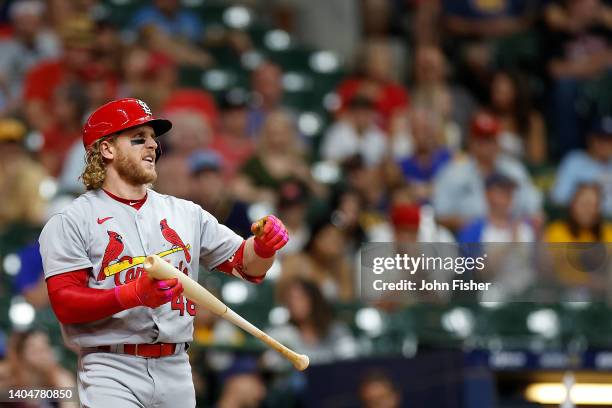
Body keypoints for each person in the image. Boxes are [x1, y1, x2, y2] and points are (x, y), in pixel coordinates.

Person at [38, 98, 290, 407]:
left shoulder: (185, 212)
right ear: (107, 149)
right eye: (138, 138)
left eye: (154, 139)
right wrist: (134, 295)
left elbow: (247, 266)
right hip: (111, 366)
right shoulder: (72, 219)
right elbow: (65, 303)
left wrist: (263, 246)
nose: (152, 146)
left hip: (177, 366)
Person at [433, 111, 542, 231]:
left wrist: (512, 225)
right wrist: (478, 226)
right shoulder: (453, 172)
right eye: (481, 140)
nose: (486, 146)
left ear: (498, 142)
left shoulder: (514, 170)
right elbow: (440, 215)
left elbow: (536, 214)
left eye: (490, 140)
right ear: (471, 142)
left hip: (511, 236)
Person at [551, 116, 612, 218]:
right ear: (590, 138)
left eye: (609, 139)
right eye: (600, 138)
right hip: (579, 224)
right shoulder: (574, 161)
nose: (604, 144)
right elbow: (559, 198)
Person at [546, 182, 612, 242]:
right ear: (572, 205)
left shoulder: (609, 234)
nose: (587, 210)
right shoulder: (555, 232)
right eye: (583, 204)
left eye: (593, 205)